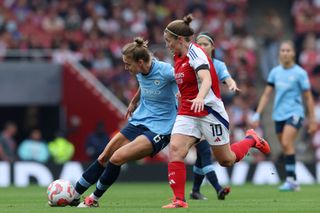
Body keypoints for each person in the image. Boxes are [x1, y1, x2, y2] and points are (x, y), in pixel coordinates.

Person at [162, 14, 270, 208]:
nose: (167, 45)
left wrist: (201, 97)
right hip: (188, 111)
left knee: (226, 160)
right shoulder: (176, 57)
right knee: (176, 149)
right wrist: (183, 94)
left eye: (168, 41)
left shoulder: (195, 53)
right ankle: (179, 200)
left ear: (179, 39)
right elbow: (187, 81)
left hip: (210, 111)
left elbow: (207, 79)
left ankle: (251, 139)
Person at [68, 37, 178, 208]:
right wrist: (134, 101)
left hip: (160, 128)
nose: (126, 68)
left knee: (117, 158)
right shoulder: (142, 70)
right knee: (104, 156)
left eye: (128, 64)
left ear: (140, 62)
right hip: (140, 120)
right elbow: (146, 83)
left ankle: (93, 200)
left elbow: (186, 79)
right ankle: (73, 196)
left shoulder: (166, 71)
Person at [251, 40, 317, 191]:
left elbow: (308, 97)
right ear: (279, 53)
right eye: (283, 50)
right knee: (287, 146)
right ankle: (293, 180)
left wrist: (312, 119)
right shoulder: (275, 72)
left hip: (295, 113)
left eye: (288, 50)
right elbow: (266, 95)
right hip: (278, 114)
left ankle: (291, 180)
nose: (285, 53)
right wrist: (257, 114)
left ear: (293, 53)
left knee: (287, 142)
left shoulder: (300, 73)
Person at [189, 32, 240, 201]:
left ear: (212, 47)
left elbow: (227, 78)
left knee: (203, 155)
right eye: (199, 44)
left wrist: (232, 85)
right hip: (191, 113)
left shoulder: (217, 65)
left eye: (205, 44)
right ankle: (218, 189)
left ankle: (195, 191)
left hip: (210, 114)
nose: (202, 47)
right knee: (204, 152)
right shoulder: (189, 62)